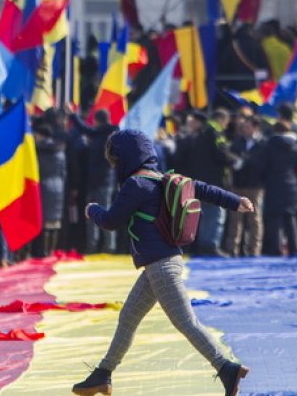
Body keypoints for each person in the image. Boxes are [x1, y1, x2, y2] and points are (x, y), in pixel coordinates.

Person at [72, 130, 252, 396]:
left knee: (186, 322)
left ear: (126, 157)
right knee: (128, 318)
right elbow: (204, 189)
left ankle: (226, 367)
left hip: (161, 266)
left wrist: (92, 210)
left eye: (116, 158)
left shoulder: (136, 184)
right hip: (160, 264)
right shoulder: (165, 178)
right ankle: (103, 375)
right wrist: (236, 202)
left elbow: (110, 221)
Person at [186, 109, 239, 256]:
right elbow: (221, 153)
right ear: (222, 119)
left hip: (202, 181)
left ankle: (204, 245)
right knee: (216, 215)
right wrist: (235, 160)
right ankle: (211, 245)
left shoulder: (202, 132)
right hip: (215, 181)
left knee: (205, 215)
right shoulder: (215, 132)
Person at [70, 110, 118, 254]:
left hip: (102, 182)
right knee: (94, 214)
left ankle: (107, 246)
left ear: (97, 121)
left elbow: (86, 130)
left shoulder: (106, 135)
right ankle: (96, 246)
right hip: (99, 181)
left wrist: (73, 115)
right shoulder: (107, 135)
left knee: (102, 214)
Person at [223, 115, 264, 257]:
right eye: (244, 127)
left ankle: (254, 249)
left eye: (248, 127)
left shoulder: (262, 143)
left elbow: (263, 163)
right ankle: (232, 248)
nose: (245, 130)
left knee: (255, 218)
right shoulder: (237, 142)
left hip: (255, 185)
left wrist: (246, 161)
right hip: (239, 183)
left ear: (256, 128)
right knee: (236, 218)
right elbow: (230, 156)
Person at [260, 121, 297, 256]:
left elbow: (263, 165)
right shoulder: (296, 146)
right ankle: (294, 247)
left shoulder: (270, 146)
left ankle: (276, 249)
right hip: (291, 184)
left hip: (274, 184)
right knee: (291, 217)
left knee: (275, 219)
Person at [32, 124, 67, 257]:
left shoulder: (40, 152)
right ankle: (52, 251)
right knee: (55, 221)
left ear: (41, 135)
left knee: (46, 222)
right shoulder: (60, 151)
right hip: (59, 187)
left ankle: (44, 252)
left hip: (44, 186)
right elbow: (64, 172)